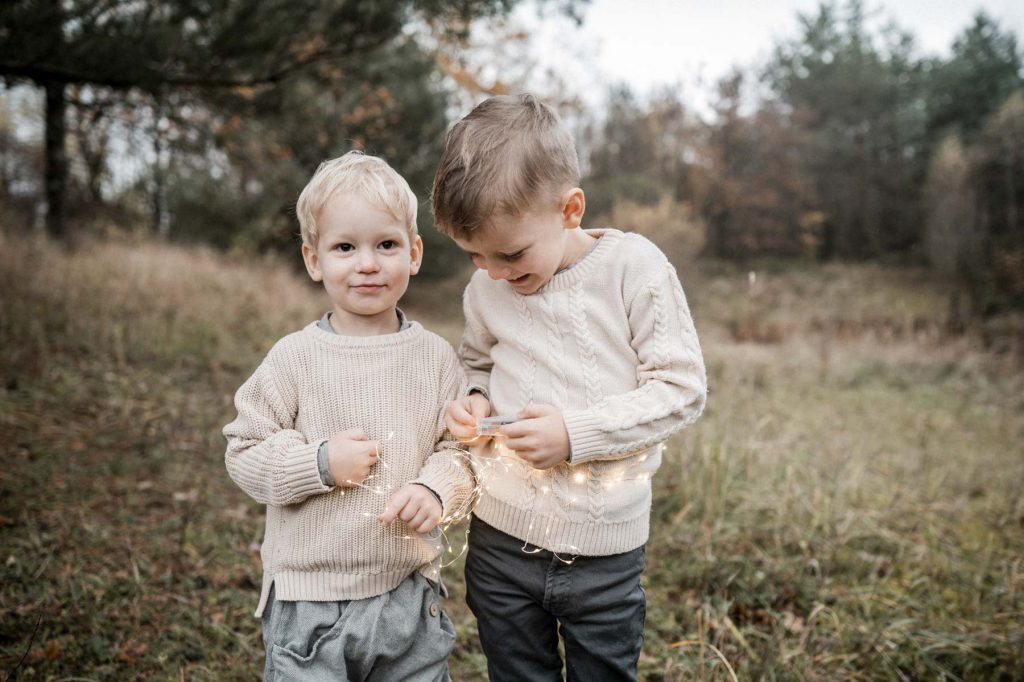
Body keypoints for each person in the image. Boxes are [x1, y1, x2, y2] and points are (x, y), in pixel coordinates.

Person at [433, 94, 708, 681]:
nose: (495, 272)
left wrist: (574, 435)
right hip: (500, 542)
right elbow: (477, 364)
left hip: (604, 553)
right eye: (475, 255)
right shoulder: (485, 290)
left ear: (570, 209)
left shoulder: (634, 269)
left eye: (509, 253)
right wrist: (475, 401)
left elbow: (681, 389)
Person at [224, 151, 474, 681]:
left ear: (414, 253)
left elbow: (460, 451)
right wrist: (317, 463)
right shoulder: (293, 358)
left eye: (386, 244)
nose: (367, 263)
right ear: (314, 260)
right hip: (308, 605)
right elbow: (243, 450)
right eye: (345, 247)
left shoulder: (434, 359)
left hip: (408, 597)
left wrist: (435, 490)